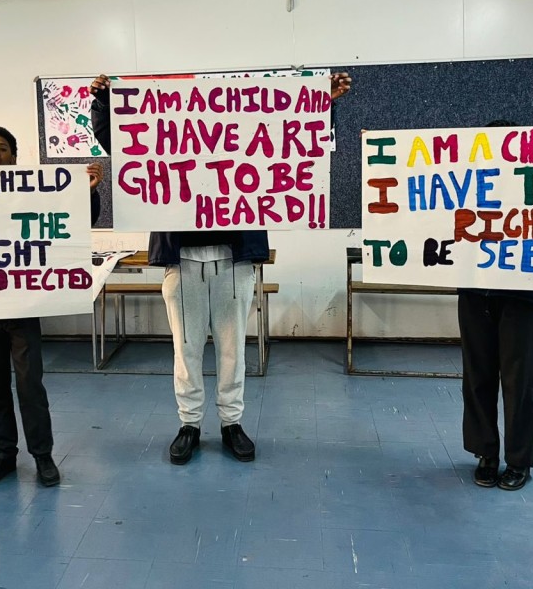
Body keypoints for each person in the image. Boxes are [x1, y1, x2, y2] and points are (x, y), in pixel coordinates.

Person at [89, 72, 351, 466]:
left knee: (232, 349)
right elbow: (124, 142)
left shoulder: (247, 133)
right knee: (186, 349)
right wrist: (103, 103)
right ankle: (189, 425)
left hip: (232, 258)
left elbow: (292, 138)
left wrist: (320, 102)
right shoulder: (161, 135)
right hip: (182, 260)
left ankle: (232, 423)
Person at [0, 126, 103, 488]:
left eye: (3, 148)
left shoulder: (34, 192)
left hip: (23, 306)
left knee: (30, 384)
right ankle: (3, 454)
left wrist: (88, 194)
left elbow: (76, 223)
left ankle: (42, 455)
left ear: (15, 156)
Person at [459, 120, 533, 491]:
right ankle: (486, 453)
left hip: (522, 295)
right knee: (477, 376)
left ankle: (520, 459)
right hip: (476, 292)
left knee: (518, 380)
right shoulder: (468, 186)